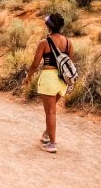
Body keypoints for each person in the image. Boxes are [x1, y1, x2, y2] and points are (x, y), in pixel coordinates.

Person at [23, 13, 72, 154]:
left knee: (50, 112)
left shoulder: (44, 42)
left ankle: (52, 144)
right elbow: (69, 62)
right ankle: (46, 135)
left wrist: (28, 77)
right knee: (52, 110)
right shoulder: (68, 42)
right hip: (62, 81)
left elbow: (34, 64)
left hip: (49, 78)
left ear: (49, 26)